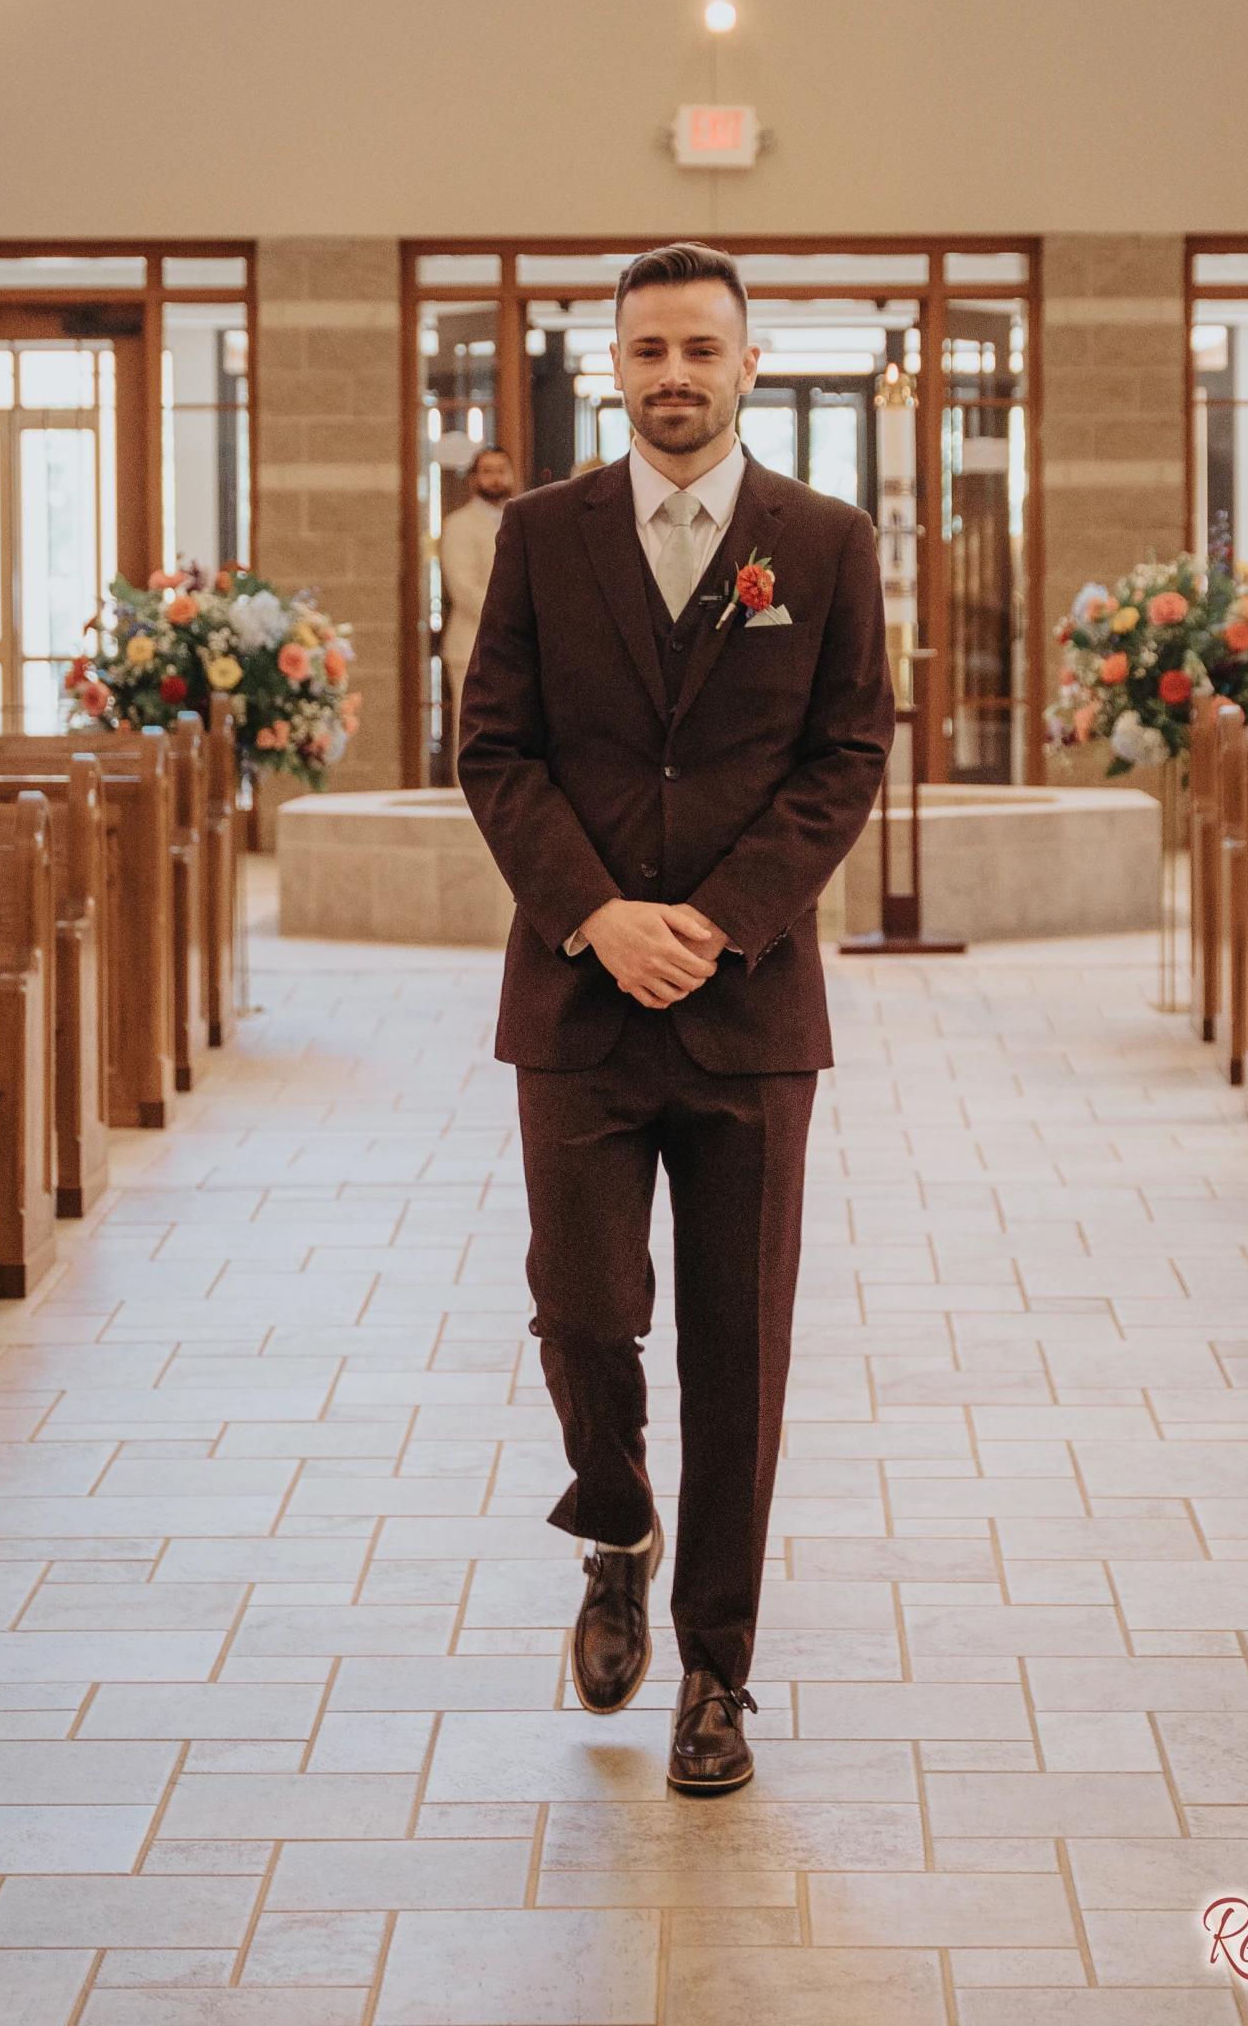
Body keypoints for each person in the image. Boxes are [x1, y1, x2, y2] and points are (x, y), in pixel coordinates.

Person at [457, 242, 894, 1797]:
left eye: (701, 348)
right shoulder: (539, 537)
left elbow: (846, 756)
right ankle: (614, 1519)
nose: (674, 375)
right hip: (576, 1003)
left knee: (739, 1349)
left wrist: (717, 922)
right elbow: (495, 750)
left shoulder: (825, 545)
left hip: (749, 1009)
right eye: (648, 350)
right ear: (613, 368)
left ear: (749, 363)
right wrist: (596, 915)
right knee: (581, 1306)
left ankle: (717, 1669)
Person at [440, 442, 516, 744]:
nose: (495, 478)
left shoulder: (521, 517)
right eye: (487, 472)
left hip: (516, 647)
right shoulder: (458, 524)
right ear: (474, 478)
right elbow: (464, 588)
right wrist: (514, 615)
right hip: (471, 644)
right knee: (473, 731)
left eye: (501, 471)